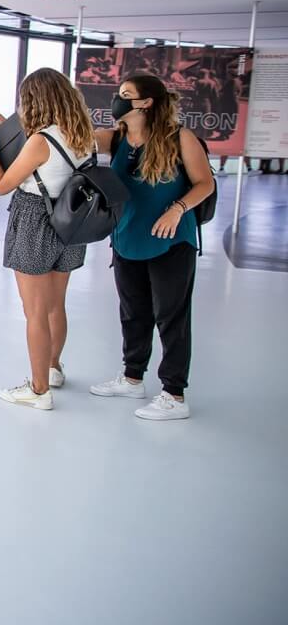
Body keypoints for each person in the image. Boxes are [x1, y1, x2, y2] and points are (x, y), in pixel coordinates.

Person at [89, 73, 215, 421]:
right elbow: (71, 137)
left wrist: (177, 210)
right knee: (133, 312)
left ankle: (174, 394)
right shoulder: (115, 138)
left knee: (171, 317)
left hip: (172, 240)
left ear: (145, 103)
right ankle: (132, 378)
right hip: (127, 238)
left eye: (126, 94)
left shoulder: (180, 138)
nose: (118, 99)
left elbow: (204, 183)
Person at [0, 68, 96, 410]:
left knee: (35, 312)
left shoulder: (40, 140)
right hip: (71, 222)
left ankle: (39, 390)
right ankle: (53, 367)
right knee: (56, 304)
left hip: (34, 221)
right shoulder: (82, 135)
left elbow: (1, 185)